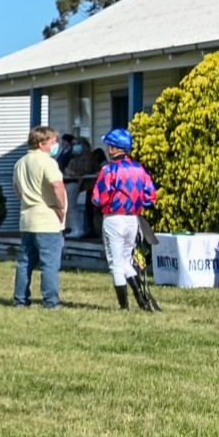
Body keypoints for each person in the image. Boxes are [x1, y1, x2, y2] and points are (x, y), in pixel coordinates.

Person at [90, 127, 157, 311]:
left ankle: (124, 306)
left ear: (113, 148)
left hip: (113, 219)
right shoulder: (140, 169)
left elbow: (97, 198)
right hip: (133, 220)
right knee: (127, 261)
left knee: (116, 264)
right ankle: (142, 302)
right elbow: (150, 196)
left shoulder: (109, 170)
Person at [12, 125, 66, 308]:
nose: (55, 145)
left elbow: (17, 189)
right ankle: (51, 301)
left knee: (25, 261)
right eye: (53, 142)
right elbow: (57, 185)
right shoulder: (48, 162)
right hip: (47, 219)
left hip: (27, 218)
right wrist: (61, 206)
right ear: (42, 144)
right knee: (49, 263)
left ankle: (20, 299)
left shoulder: (20, 162)